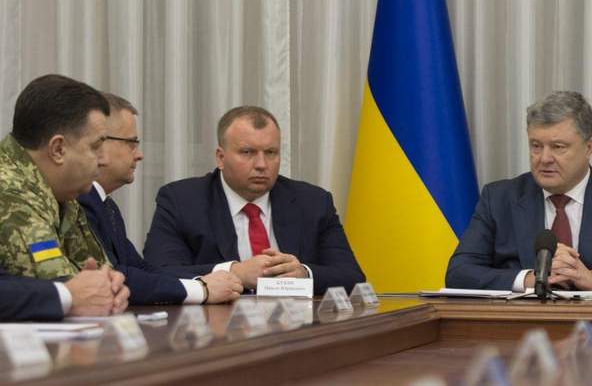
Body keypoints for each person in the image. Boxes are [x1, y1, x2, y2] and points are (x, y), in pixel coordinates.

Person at [445, 91, 592, 296]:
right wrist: (529, 279)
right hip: (520, 329)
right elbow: (458, 273)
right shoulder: (499, 198)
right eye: (536, 146)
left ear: (589, 147)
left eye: (558, 147)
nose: (544, 158)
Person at [143, 106, 365, 294]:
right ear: (220, 158)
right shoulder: (182, 201)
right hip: (217, 326)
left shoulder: (313, 202)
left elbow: (352, 277)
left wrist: (303, 274)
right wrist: (234, 272)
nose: (261, 164)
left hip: (297, 325)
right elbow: (159, 273)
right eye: (247, 152)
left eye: (271, 152)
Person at [78, 93, 243, 305]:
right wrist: (201, 289)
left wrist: (212, 280)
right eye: (131, 143)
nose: (139, 155)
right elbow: (114, 276)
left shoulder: (106, 205)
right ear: (100, 143)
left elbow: (143, 270)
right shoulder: (80, 201)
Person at [0, 74, 129, 316]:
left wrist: (113, 287)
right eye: (96, 146)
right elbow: (55, 281)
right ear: (58, 149)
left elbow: (98, 276)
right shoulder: (9, 189)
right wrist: (76, 294)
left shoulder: (62, 193)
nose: (104, 160)